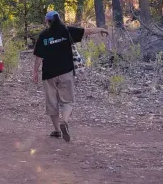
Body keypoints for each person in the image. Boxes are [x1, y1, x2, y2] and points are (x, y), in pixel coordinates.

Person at [33, 11, 108, 142]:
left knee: (52, 103)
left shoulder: (43, 36)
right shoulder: (67, 31)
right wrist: (101, 29)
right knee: (67, 101)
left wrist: (34, 72)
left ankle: (57, 130)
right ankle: (65, 121)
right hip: (66, 72)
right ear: (59, 20)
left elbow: (39, 56)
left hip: (48, 74)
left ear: (48, 21)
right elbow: (87, 31)